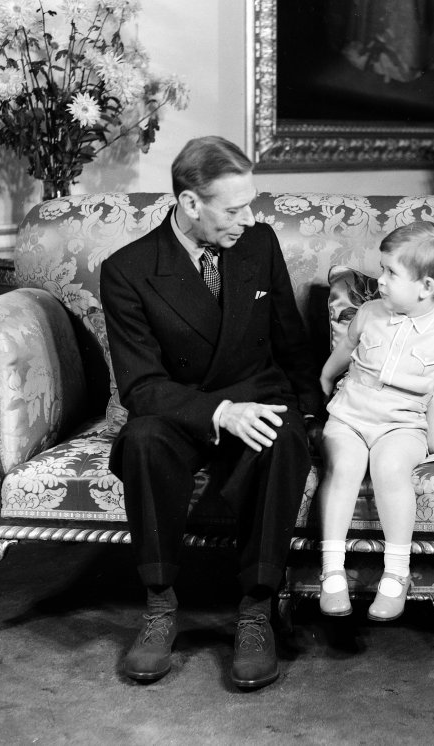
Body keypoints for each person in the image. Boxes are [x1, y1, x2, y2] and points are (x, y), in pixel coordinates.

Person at [101, 136, 324, 690]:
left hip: (259, 390)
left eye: (251, 203)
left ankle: (255, 611)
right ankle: (159, 606)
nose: (247, 219)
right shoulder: (128, 270)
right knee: (142, 442)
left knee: (283, 438)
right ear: (189, 203)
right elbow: (141, 385)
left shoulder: (259, 243)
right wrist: (220, 411)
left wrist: (314, 415)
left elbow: (289, 341)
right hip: (179, 405)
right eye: (233, 207)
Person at [316, 222, 434, 621]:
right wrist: (326, 377)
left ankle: (396, 573)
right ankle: (331, 568)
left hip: (402, 423)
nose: (379, 280)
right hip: (350, 414)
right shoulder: (369, 312)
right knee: (344, 465)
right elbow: (346, 350)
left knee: (390, 467)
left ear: (427, 287)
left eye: (390, 273)